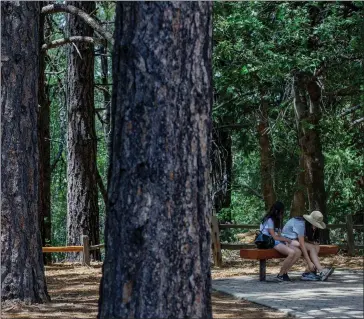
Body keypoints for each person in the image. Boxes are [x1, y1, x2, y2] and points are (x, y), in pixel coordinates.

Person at [281, 210, 334, 281]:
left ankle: (308, 272)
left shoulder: (306, 224)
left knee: (316, 246)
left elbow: (302, 240)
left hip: (294, 240)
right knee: (312, 247)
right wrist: (309, 262)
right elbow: (302, 244)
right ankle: (321, 271)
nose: (315, 227)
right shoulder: (300, 224)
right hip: (287, 241)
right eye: (315, 225)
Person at [259, 201, 302, 282]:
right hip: (269, 241)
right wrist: (287, 240)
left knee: (298, 252)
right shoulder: (269, 220)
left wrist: (286, 241)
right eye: (281, 211)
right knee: (291, 253)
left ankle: (285, 272)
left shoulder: (277, 220)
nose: (282, 213)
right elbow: (274, 237)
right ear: (278, 211)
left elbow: (279, 235)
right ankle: (280, 275)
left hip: (276, 241)